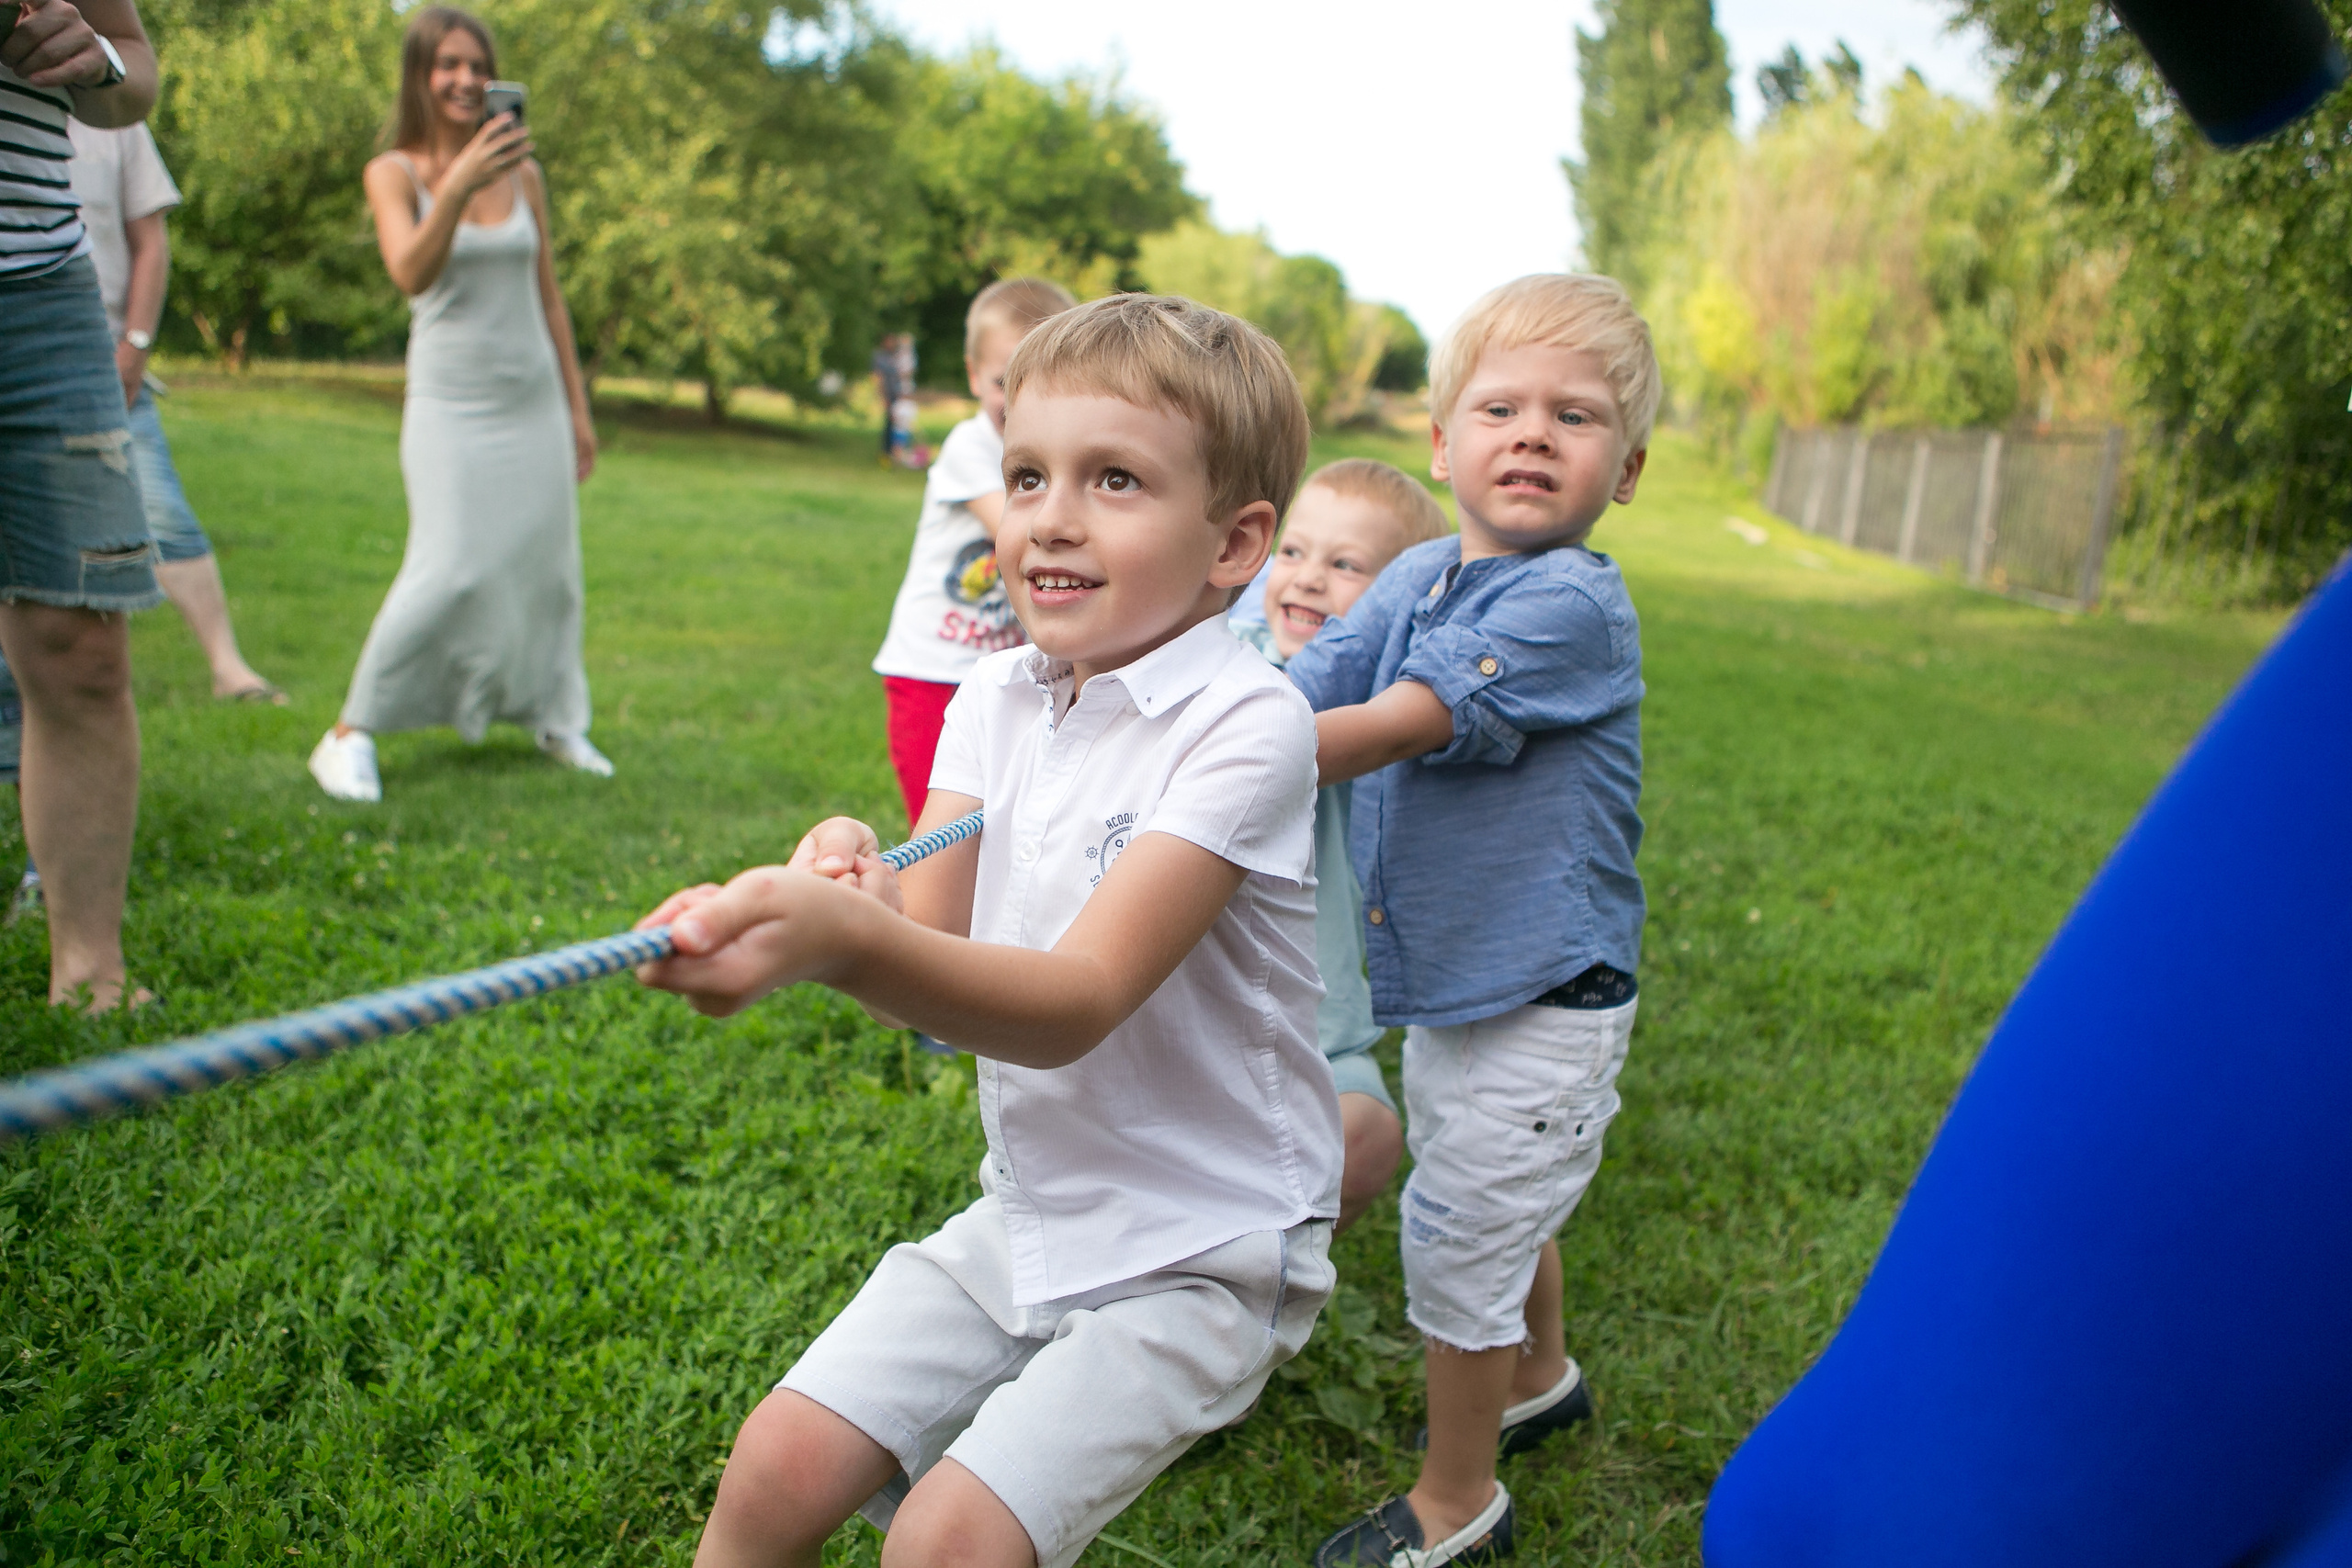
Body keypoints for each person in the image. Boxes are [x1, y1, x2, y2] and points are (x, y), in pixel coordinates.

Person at [635, 294, 1342, 1568]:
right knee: (774, 1462)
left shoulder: (1250, 722)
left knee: (947, 1542)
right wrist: (857, 887)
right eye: (1027, 474)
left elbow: (1078, 996)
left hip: (1206, 1244)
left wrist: (844, 942)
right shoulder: (992, 697)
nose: (1051, 515)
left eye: (1113, 478)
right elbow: (926, 952)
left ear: (1235, 541)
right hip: (1031, 1202)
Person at [1289, 274, 1656, 1566]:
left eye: (1578, 414)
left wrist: (1221, 764)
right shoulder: (1417, 573)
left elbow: (1394, 722)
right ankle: (1542, 1371)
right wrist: (1209, 707)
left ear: (1628, 468)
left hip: (1548, 1000)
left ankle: (1458, 1500)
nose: (1535, 432)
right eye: (1500, 406)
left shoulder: (1571, 606)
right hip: (1459, 985)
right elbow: (1319, 675)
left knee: (1455, 1236)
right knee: (1497, 1197)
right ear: (1441, 444)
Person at [308, 5, 605, 803]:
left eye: (478, 65)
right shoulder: (394, 172)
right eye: (448, 64)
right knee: (449, 569)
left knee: (550, 572)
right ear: (420, 75)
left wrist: (577, 410)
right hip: (451, 403)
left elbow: (550, 301)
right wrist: (460, 183)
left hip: (534, 400)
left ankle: (554, 716)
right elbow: (410, 270)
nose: (466, 79)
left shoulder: (526, 176)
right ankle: (348, 734)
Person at [1232, 457, 1453, 1233]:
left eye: (1346, 564)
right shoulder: (1232, 665)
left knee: (1366, 1139)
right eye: (1292, 552)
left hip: (1321, 1032)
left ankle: (1274, 1262)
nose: (1308, 578)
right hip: (1193, 1014)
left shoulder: (1401, 707)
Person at [1, 0, 162, 1010]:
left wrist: (96, 55)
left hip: (40, 282)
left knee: (82, 643)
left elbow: (135, 70)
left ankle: (90, 974)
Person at [66, 119, 284, 704]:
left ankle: (229, 668)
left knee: (163, 513)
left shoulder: (107, 109)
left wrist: (134, 346)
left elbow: (151, 239)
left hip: (108, 364)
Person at [871, 276, 1075, 829]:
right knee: (941, 832)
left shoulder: (1060, 458)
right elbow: (1020, 527)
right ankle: (928, 917)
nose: (1017, 400)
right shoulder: (971, 446)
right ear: (971, 375)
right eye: (1003, 381)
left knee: (1002, 823)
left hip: (1008, 673)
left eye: (1040, 381)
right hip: (931, 669)